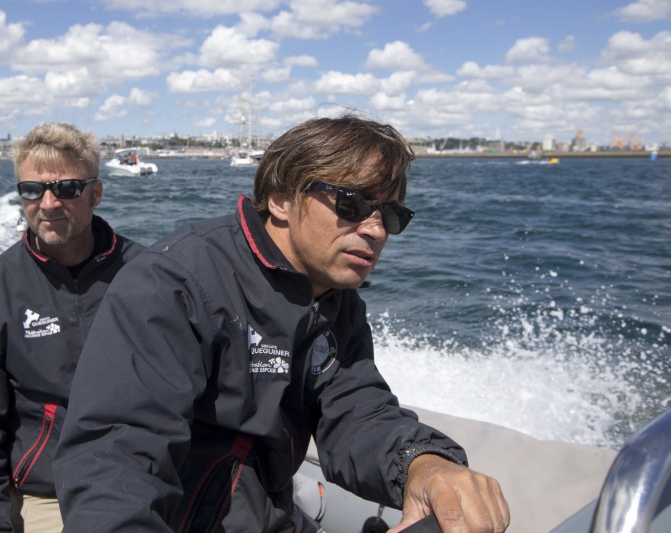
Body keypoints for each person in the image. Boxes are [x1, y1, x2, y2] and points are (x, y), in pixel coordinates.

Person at [53, 115, 510, 532]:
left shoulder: (337, 301)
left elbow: (355, 410)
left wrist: (423, 463)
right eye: (351, 204)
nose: (375, 230)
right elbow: (116, 454)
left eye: (390, 214)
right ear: (281, 199)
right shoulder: (175, 284)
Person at [0, 122, 142, 533]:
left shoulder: (149, 278)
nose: (48, 203)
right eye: (32, 190)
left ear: (96, 193)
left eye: (67, 188)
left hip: (146, 480)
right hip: (49, 496)